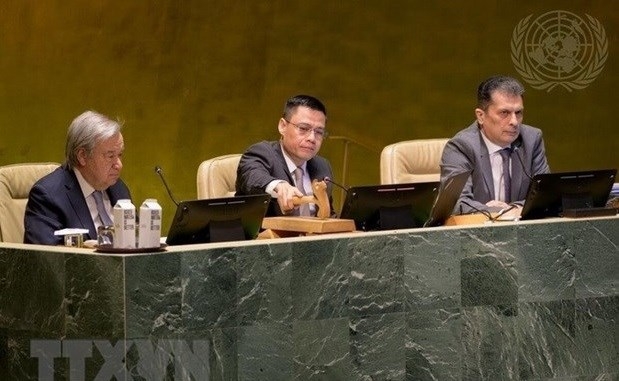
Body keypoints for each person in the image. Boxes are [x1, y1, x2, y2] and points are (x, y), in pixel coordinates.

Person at [440, 75, 550, 216]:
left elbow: (545, 195)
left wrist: (511, 209)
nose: (514, 122)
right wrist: (498, 212)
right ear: (481, 116)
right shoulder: (461, 147)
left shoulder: (531, 139)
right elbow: (457, 204)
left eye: (518, 112)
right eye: (504, 113)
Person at [24, 110, 131, 245]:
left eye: (120, 155)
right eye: (110, 156)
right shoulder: (48, 196)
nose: (119, 165)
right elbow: (46, 259)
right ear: (82, 156)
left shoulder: (118, 188)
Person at [235, 94, 335, 217]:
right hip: (267, 235)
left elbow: (329, 215)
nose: (312, 138)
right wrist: (279, 185)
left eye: (319, 132)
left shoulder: (322, 166)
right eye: (303, 128)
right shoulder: (261, 153)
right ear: (283, 126)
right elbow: (252, 177)